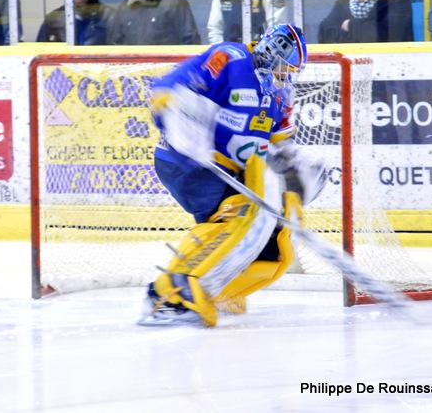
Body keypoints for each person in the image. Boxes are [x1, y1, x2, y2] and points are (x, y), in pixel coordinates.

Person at [140, 24, 327, 327]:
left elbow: (282, 145)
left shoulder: (279, 95)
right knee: (237, 214)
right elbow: (173, 86)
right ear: (271, 51)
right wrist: (175, 112)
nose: (285, 76)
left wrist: (298, 172)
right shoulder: (231, 58)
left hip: (228, 171)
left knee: (275, 238)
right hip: (185, 161)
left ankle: (216, 289)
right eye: (284, 67)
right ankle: (170, 295)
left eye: (290, 71)